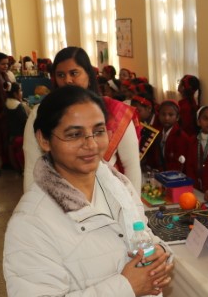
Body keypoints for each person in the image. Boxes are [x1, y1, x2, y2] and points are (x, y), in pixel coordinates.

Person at [3, 86, 182, 297]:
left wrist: (159, 254)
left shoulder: (116, 183)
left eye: (98, 131)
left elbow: (143, 233)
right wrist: (127, 286)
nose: (90, 144)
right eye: (74, 134)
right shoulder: (31, 221)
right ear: (44, 140)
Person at [23, 47, 141, 192]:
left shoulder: (114, 112)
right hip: (58, 195)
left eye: (74, 73)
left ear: (89, 76)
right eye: (60, 75)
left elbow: (131, 166)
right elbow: (32, 166)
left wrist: (134, 204)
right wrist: (30, 201)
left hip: (108, 195)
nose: (67, 80)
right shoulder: (41, 113)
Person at [144, 100, 190, 172]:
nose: (166, 118)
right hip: (156, 172)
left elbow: (179, 164)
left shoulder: (181, 137)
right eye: (163, 114)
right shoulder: (156, 132)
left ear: (177, 117)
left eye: (171, 115)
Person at [4, 83, 29, 172]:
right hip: (21, 135)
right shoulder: (18, 106)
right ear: (15, 94)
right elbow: (25, 121)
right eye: (20, 90)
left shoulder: (6, 103)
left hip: (11, 135)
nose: (22, 92)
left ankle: (18, 169)